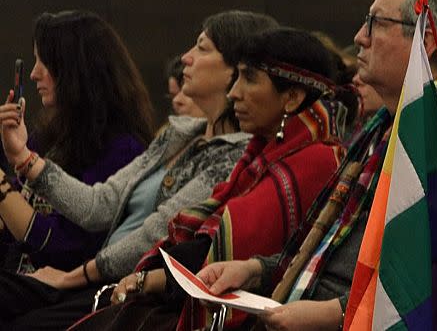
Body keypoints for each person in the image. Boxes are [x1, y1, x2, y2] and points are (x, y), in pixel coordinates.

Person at [191, 0, 437, 330]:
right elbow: (332, 256)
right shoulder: (380, 126)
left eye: (375, 23)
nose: (359, 37)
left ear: (425, 39)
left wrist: (329, 314)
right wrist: (256, 269)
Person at [0, 10, 271, 329]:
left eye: (202, 47)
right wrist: (22, 157)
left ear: (236, 70)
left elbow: (159, 229)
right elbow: (99, 204)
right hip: (94, 280)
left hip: (126, 287)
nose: (186, 57)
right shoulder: (178, 134)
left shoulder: (235, 155)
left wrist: (76, 276)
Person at [71, 27, 348, 330]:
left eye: (250, 78)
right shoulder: (259, 155)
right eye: (236, 77)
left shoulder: (317, 160)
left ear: (292, 97)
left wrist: (145, 279)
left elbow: (229, 245)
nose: (234, 93)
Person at [0, 10, 153, 274]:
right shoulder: (49, 135)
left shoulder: (122, 150)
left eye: (44, 61)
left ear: (76, 68)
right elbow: (10, 236)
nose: (34, 73)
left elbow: (61, 249)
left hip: (63, 300)